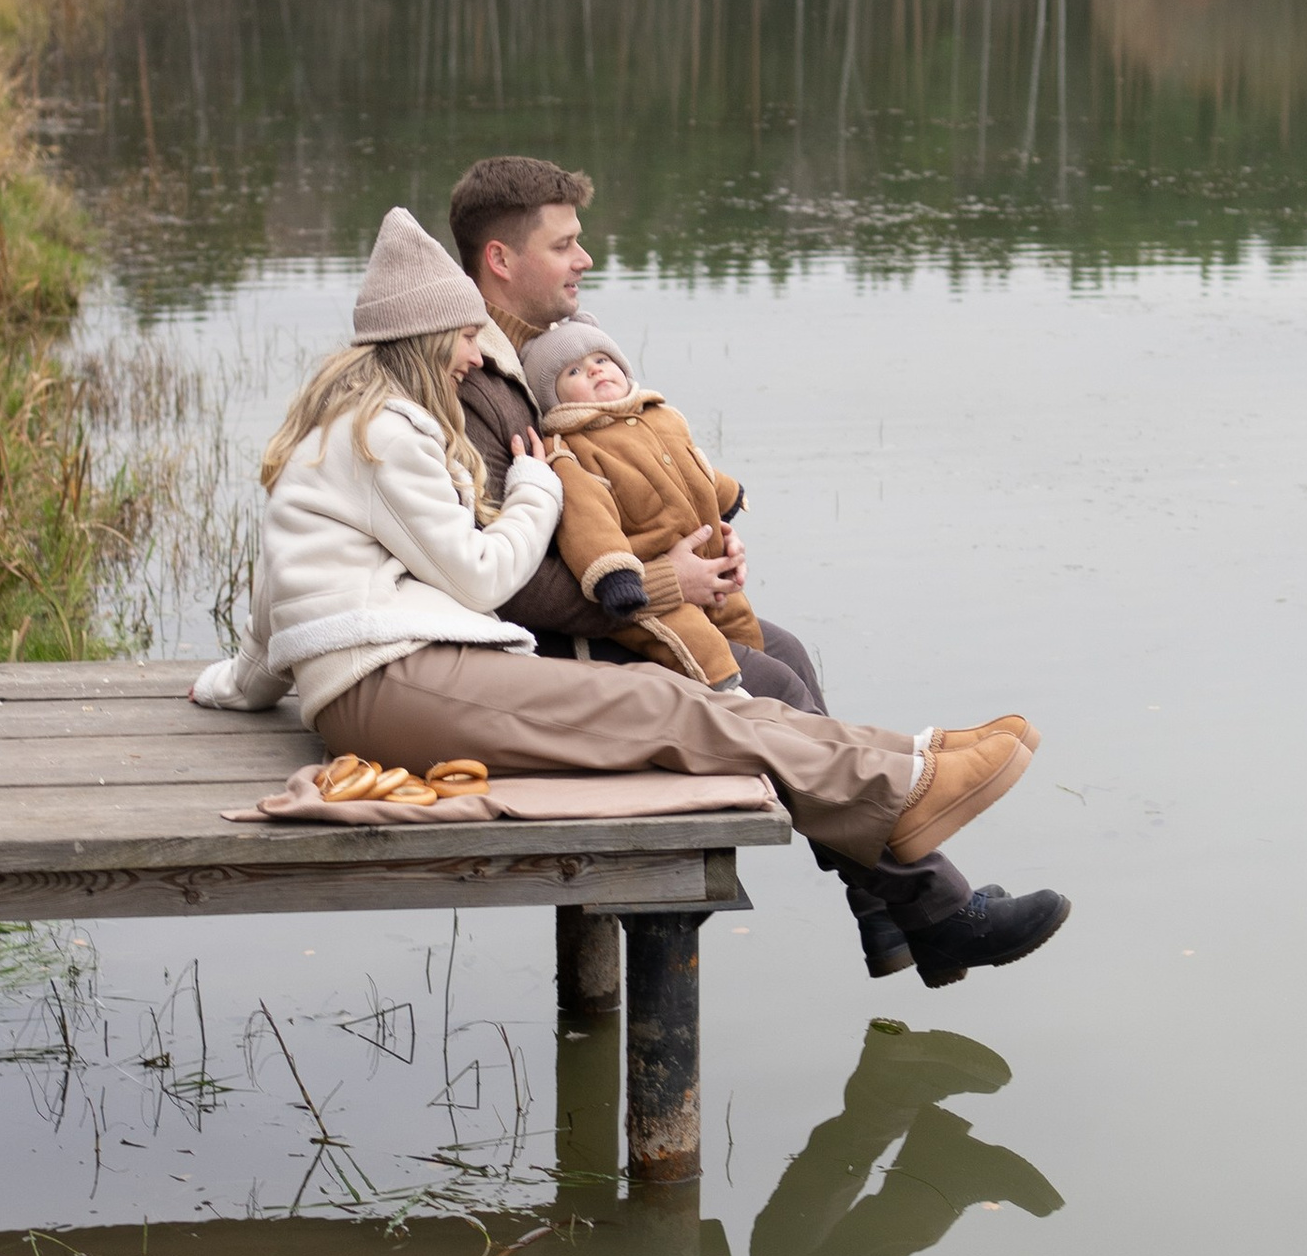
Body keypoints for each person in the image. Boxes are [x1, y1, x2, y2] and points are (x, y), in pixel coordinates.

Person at [189, 205, 1036, 897]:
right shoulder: (386, 432)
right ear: (423, 337)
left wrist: (238, 684)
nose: (467, 355)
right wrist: (538, 489)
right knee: (663, 709)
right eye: (458, 337)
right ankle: (899, 793)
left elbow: (276, 599)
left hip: (384, 680)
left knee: (684, 701)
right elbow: (480, 577)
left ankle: (907, 764)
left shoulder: (342, 430)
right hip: (392, 683)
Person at [444, 151, 1069, 995]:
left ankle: (891, 911)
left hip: (615, 615)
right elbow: (500, 582)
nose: (585, 260)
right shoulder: (469, 381)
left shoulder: (535, 359)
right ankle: (933, 909)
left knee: (790, 652)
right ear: (501, 261)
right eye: (565, 245)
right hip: (538, 655)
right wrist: (667, 584)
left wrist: (698, 551)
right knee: (766, 680)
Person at [519, 313, 762, 690]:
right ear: (553, 397)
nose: (595, 371)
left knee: (745, 629)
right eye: (574, 372)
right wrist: (616, 576)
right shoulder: (573, 451)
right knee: (699, 645)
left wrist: (726, 497)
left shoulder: (662, 417)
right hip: (647, 584)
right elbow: (588, 521)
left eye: (602, 361)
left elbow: (694, 467)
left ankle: (763, 693)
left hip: (708, 567)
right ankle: (731, 701)